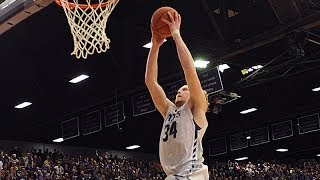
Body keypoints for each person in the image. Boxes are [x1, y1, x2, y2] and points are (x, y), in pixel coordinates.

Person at [145, 10, 209, 180]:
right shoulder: (169, 111)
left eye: (185, 89)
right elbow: (151, 83)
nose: (179, 91)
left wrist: (176, 34)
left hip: (192, 173)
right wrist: (155, 46)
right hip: (175, 175)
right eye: (179, 89)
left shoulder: (197, 109)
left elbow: (189, 69)